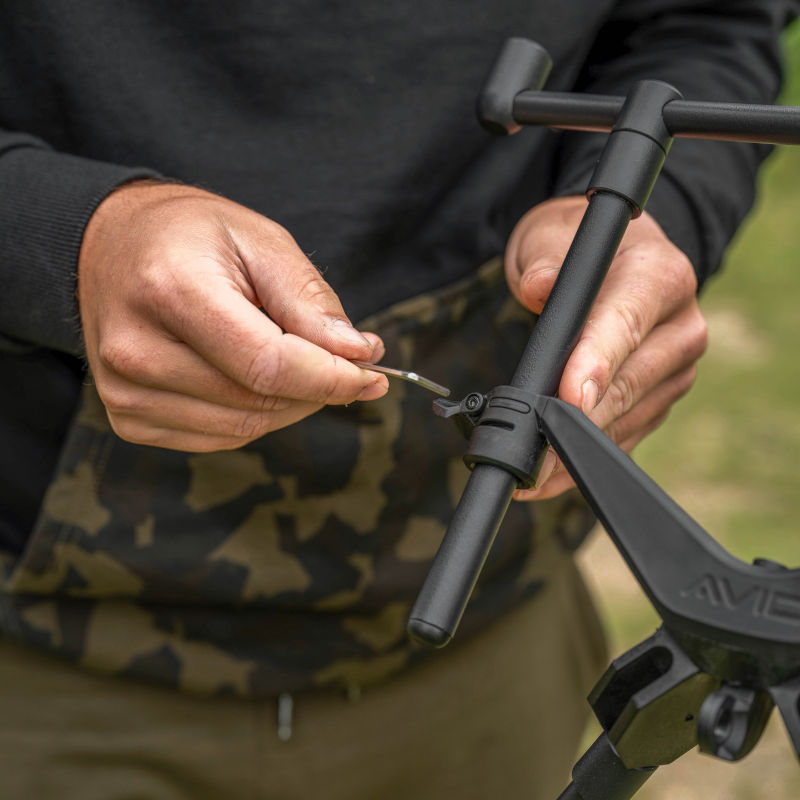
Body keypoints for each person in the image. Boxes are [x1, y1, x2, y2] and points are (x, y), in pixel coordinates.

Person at [0, 1, 794, 798]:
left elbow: (707, 23)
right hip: (47, 662)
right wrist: (62, 239)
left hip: (490, 649)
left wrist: (655, 210)